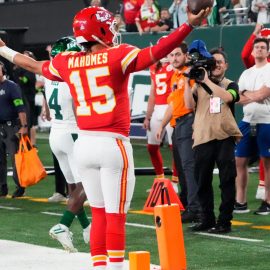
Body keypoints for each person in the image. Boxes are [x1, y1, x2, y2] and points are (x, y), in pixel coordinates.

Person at [0, 6, 210, 269]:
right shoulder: (117, 55)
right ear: (99, 31)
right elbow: (157, 51)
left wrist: (3, 49)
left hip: (84, 144)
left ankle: (100, 267)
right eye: (110, 27)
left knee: (98, 214)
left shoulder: (68, 61)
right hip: (112, 144)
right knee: (115, 216)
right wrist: (187, 26)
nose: (114, 31)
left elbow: (31, 64)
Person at [38, 37, 91, 252]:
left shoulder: (49, 76)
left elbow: (49, 112)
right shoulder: (73, 78)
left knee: (72, 186)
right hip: (72, 133)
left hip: (55, 134)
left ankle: (87, 227)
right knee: (87, 184)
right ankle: (64, 224)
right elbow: (82, 111)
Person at [184, 44, 242, 233]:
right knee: (202, 181)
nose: (216, 65)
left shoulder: (231, 84)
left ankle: (225, 222)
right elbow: (187, 104)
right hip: (202, 137)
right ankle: (207, 220)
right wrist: (188, 81)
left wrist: (207, 81)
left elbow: (227, 98)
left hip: (224, 137)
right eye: (213, 61)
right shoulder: (198, 86)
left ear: (226, 65)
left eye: (219, 62)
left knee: (227, 180)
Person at [156, 44, 200, 223]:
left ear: (186, 55)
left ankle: (194, 208)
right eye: (171, 55)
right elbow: (173, 104)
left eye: (177, 55)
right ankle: (187, 203)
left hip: (188, 121)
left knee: (189, 168)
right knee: (181, 168)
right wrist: (161, 126)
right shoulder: (175, 75)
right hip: (177, 125)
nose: (174, 58)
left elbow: (191, 104)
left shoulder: (190, 74)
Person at [235, 37, 270, 215]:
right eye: (257, 47)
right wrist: (250, 95)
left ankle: (268, 201)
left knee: (267, 162)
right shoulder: (246, 73)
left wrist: (246, 93)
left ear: (268, 51)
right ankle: (241, 202)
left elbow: (262, 95)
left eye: (263, 47)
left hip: (267, 121)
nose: (259, 50)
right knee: (240, 161)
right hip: (247, 120)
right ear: (253, 51)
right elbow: (237, 98)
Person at [142, 54, 178, 192]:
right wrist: (148, 116)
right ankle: (160, 180)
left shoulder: (174, 66)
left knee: (174, 148)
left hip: (171, 107)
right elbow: (152, 93)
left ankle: (175, 182)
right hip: (157, 108)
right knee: (151, 147)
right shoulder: (154, 67)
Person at [0, 61, 28, 198]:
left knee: (15, 159)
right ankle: (2, 188)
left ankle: (20, 187)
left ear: (3, 70)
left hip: (11, 127)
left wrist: (24, 126)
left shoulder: (11, 87)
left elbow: (20, 107)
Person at [13, 51, 38, 147]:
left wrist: (17, 75)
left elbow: (24, 81)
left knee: (30, 124)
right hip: (21, 100)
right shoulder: (18, 70)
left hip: (29, 100)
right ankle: (22, 144)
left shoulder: (30, 72)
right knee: (21, 122)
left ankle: (32, 144)